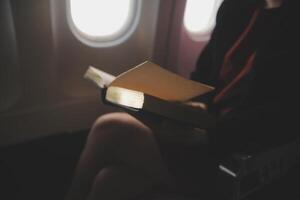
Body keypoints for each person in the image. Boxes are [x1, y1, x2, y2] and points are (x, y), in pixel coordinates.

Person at [65, 0, 299, 199]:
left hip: (234, 153)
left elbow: (281, 116)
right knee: (109, 183)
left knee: (109, 129)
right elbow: (204, 75)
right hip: (204, 128)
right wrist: (189, 105)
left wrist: (211, 132)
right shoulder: (237, 6)